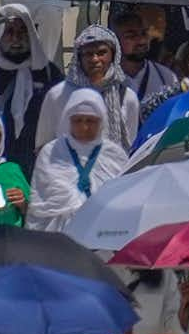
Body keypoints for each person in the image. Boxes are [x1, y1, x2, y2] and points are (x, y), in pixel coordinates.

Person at [27, 89, 123, 233]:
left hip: (103, 232)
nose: (84, 127)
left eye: (90, 121)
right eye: (78, 120)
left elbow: (121, 199)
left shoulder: (114, 155)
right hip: (59, 236)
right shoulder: (51, 152)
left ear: (101, 121)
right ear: (68, 120)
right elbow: (41, 203)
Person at [0, 4, 60, 167]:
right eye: (9, 32)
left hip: (34, 162)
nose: (16, 39)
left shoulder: (47, 72)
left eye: (22, 31)